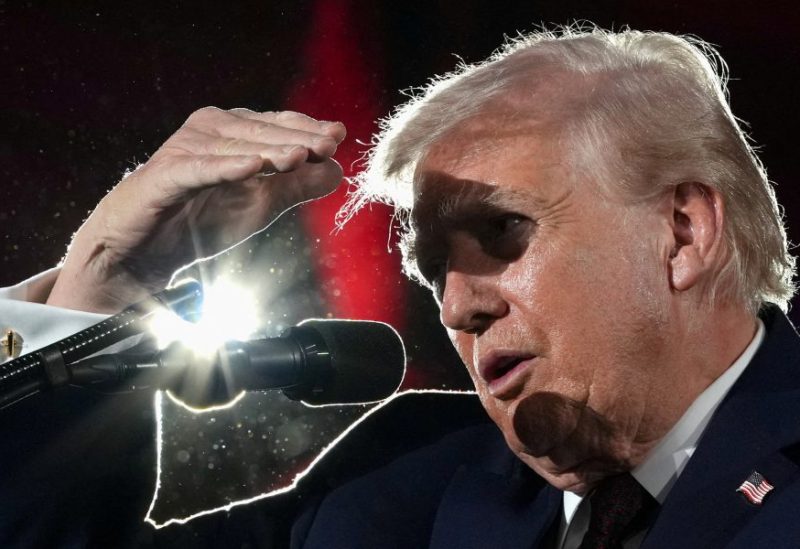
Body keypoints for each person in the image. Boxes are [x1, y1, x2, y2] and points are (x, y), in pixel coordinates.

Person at [2, 26, 798, 548]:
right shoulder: (402, 476)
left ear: (682, 231)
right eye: (434, 268)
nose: (457, 305)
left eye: (503, 231)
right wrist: (105, 279)